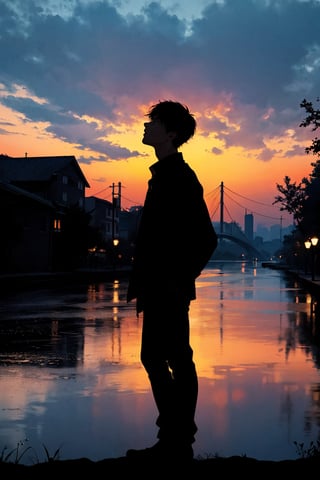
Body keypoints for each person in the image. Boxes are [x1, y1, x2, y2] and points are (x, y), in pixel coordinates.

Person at [126, 100, 218, 462]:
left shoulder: (180, 178)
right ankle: (175, 440)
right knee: (164, 357)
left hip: (169, 287)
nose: (146, 127)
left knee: (173, 358)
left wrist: (178, 279)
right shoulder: (164, 174)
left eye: (154, 123)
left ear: (172, 133)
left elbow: (206, 239)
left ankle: (177, 441)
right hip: (159, 286)